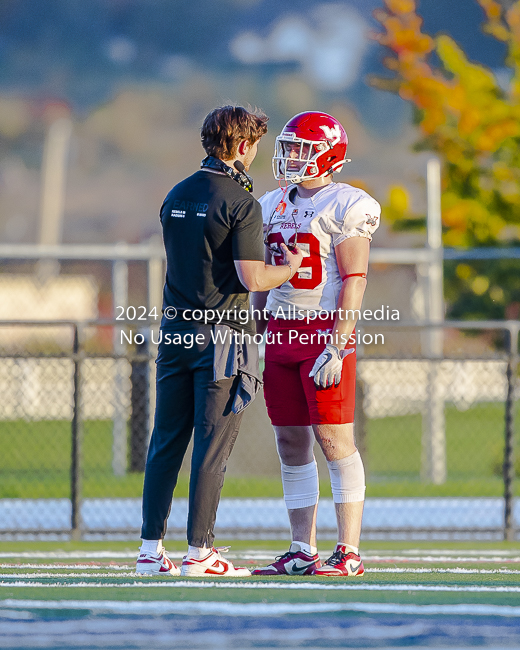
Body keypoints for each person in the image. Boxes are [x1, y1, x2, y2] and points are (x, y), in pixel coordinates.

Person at [136, 105, 303, 578]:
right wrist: (288, 268)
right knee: (212, 446)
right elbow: (252, 278)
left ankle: (150, 551)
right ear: (245, 146)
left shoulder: (175, 194)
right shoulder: (241, 201)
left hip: (174, 333)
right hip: (222, 339)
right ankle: (199, 552)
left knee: (165, 442)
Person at [251, 111, 380, 577]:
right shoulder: (270, 203)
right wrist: (253, 327)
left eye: (302, 148)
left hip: (323, 331)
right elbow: (263, 276)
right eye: (288, 147)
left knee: (333, 439)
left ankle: (348, 551)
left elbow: (355, 280)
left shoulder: (347, 204)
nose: (291, 157)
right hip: (280, 333)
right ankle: (301, 548)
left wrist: (337, 344)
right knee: (289, 442)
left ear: (329, 154)